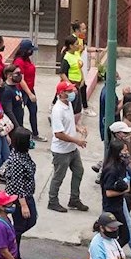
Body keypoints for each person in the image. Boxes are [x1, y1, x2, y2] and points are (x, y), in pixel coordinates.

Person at [46, 79, 88, 213]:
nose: (73, 92)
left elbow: (69, 122)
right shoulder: (57, 110)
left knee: (79, 171)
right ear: (61, 93)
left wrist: (78, 128)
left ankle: (74, 199)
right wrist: (77, 141)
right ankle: (52, 201)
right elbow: (58, 133)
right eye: (69, 91)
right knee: (58, 177)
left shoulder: (68, 104)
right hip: (61, 151)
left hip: (71, 149)